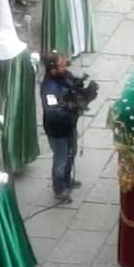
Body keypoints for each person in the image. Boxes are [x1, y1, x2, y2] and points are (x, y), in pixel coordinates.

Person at [41, 51, 82, 204]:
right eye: (61, 63)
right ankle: (59, 189)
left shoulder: (65, 75)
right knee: (61, 159)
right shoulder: (49, 89)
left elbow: (73, 86)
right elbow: (52, 112)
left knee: (72, 153)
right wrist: (70, 108)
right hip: (57, 130)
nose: (65, 64)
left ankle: (67, 179)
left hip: (70, 125)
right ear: (52, 67)